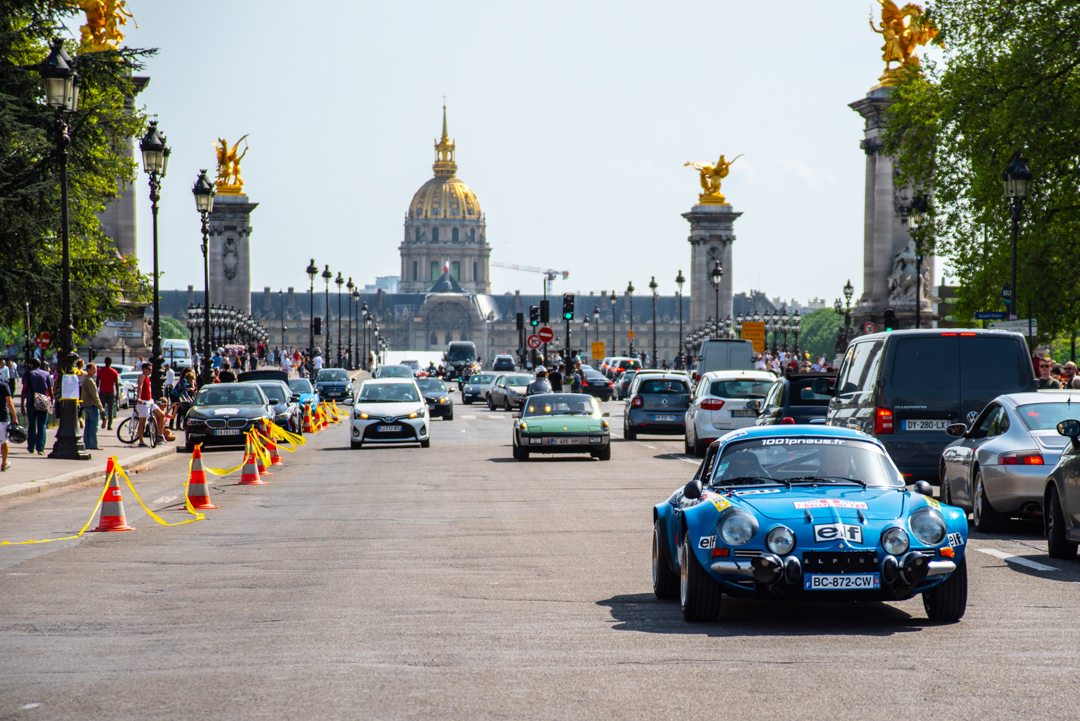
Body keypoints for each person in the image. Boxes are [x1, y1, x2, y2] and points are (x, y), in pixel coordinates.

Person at [20, 358, 52, 455]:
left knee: (32, 425)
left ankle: (31, 447)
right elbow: (50, 390)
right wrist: (52, 403)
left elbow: (24, 390)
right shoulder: (46, 374)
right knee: (42, 425)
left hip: (31, 401)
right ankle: (40, 448)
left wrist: (22, 404)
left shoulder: (28, 374)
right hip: (43, 401)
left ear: (31, 365)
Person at [134, 363, 166, 446]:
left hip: (150, 401)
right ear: (144, 369)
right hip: (143, 402)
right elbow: (140, 387)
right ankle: (141, 441)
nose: (150, 371)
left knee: (161, 415)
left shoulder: (148, 378)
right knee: (142, 422)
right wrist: (138, 398)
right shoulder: (142, 376)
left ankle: (159, 435)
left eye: (151, 369)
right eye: (149, 369)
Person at [80, 363, 103, 449]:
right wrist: (101, 408)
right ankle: (93, 444)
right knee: (93, 426)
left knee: (88, 425)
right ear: (88, 370)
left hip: (86, 405)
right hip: (92, 405)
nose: (95, 371)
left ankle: (87, 443)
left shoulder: (86, 379)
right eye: (94, 369)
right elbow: (95, 395)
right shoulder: (90, 380)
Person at [97, 357, 119, 430]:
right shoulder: (114, 372)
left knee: (101, 407)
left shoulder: (100, 371)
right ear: (111, 362)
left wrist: (96, 391)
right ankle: (109, 425)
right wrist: (118, 394)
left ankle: (104, 418)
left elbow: (97, 382)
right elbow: (116, 384)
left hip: (102, 391)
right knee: (110, 409)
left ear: (105, 362)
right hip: (110, 392)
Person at [0, 371, 15, 470]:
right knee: (3, 441)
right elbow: (9, 402)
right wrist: (15, 416)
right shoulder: (4, 385)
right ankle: (4, 463)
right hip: (2, 417)